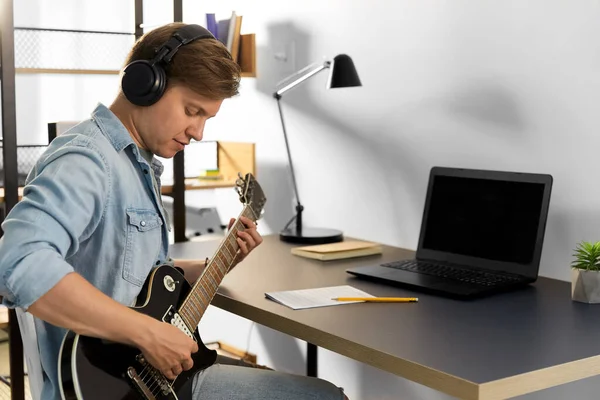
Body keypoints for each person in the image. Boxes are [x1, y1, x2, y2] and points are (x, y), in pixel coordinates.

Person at [0, 22, 348, 400]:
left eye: (206, 119)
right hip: (111, 384)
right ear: (146, 85)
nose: (197, 132)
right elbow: (18, 262)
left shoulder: (137, 164)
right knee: (326, 396)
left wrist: (216, 265)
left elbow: (135, 276)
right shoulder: (88, 160)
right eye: (191, 110)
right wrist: (146, 333)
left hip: (149, 379)